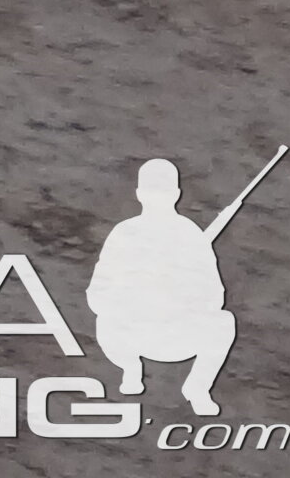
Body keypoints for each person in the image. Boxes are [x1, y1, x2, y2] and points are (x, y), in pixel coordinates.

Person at [88, 157, 244, 416]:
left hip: (178, 334)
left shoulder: (191, 235)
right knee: (105, 320)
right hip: (131, 334)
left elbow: (215, 296)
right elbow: (97, 294)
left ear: (175, 194)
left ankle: (197, 388)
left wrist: (180, 297)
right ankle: (130, 368)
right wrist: (132, 300)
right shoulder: (124, 234)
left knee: (224, 322)